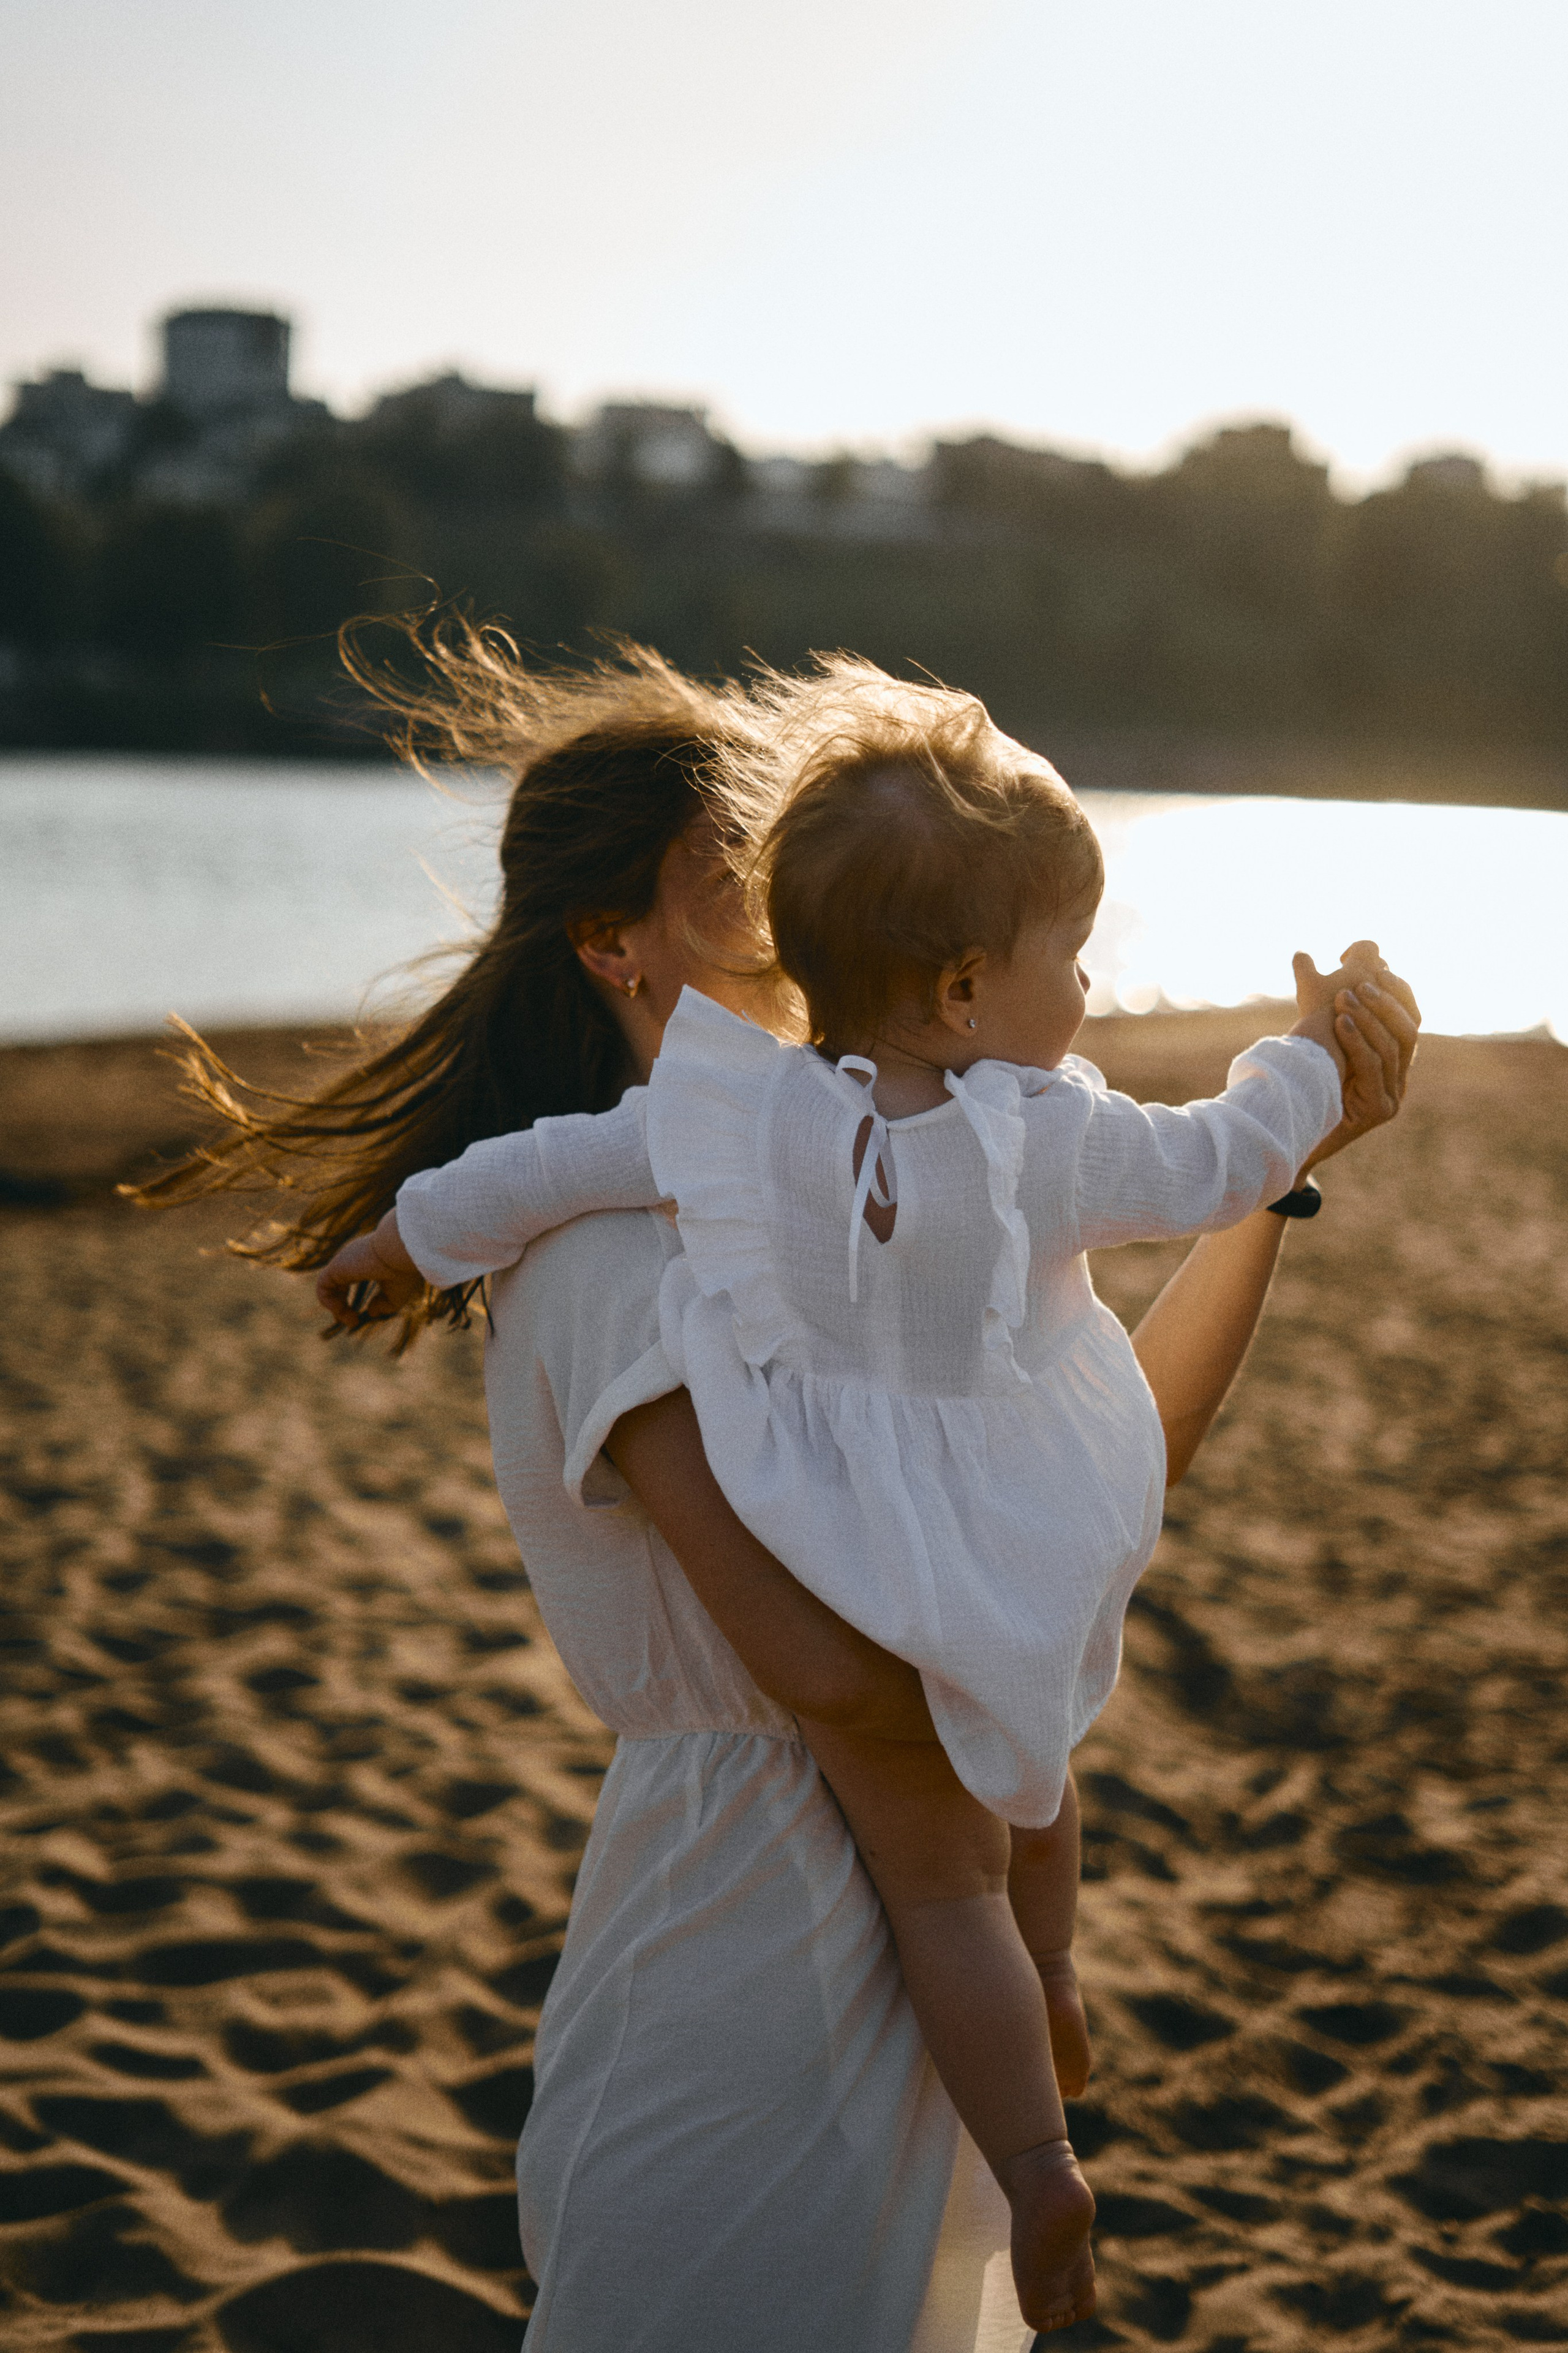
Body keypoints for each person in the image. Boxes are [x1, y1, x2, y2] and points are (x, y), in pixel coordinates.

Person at [139, 628, 1420, 2352]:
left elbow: (1101, 1455)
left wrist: (1277, 1181)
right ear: (618, 939)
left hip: (911, 1948)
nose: (771, 896)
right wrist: (1005, 1783)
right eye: (724, 860)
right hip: (752, 1953)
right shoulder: (609, 1241)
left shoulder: (858, 1202)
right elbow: (832, 1676)